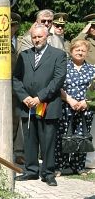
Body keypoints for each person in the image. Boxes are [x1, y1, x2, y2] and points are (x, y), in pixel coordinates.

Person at [13, 24, 67, 186]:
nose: (36, 40)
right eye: (34, 37)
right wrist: (24, 97)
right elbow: (16, 78)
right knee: (29, 139)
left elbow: (58, 79)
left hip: (48, 105)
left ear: (47, 37)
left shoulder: (58, 54)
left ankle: (48, 173)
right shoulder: (24, 55)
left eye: (39, 37)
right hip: (28, 105)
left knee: (48, 140)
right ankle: (31, 170)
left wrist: (40, 98)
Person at [55, 39, 95, 176]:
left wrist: (86, 102)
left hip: (85, 109)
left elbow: (94, 90)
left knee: (82, 137)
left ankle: (79, 167)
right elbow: (56, 87)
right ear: (71, 51)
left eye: (83, 50)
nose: (80, 52)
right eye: (77, 49)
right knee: (63, 136)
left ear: (86, 53)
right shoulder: (63, 67)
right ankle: (60, 166)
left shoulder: (92, 69)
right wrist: (70, 100)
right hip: (66, 107)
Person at [11, 12, 26, 165]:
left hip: (19, 87)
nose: (11, 28)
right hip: (2, 87)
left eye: (14, 25)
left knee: (18, 120)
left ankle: (18, 152)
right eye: (9, 25)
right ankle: (5, 150)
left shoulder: (21, 41)